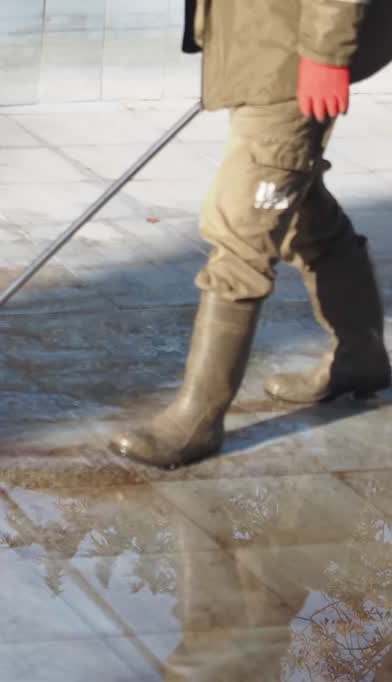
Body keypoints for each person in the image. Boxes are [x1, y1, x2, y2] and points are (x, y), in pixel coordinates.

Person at [110, 0, 392, 469]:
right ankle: (359, 356)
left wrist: (325, 54)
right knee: (299, 211)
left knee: (241, 228)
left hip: (293, 52)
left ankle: (196, 420)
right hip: (265, 45)